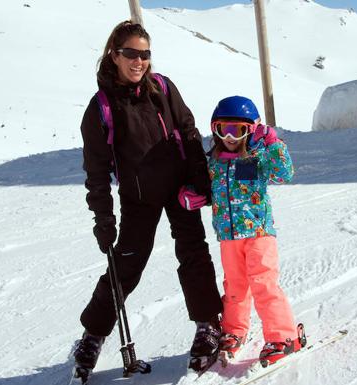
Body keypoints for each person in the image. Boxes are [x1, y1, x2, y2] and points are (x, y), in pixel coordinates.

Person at [74, 20, 222, 374]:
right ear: (114, 55)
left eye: (144, 54)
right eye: (131, 54)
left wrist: (199, 181)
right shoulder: (101, 108)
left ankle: (207, 324)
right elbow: (96, 173)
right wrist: (103, 220)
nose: (138, 61)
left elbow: (188, 132)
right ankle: (93, 335)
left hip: (181, 190)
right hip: (139, 198)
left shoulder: (163, 88)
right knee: (125, 265)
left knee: (193, 252)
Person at [204, 96, 305, 367]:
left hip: (259, 233)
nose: (229, 137)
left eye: (237, 130)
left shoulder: (257, 156)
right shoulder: (213, 162)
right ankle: (234, 330)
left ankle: (283, 336)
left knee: (263, 284)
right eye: (222, 129)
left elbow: (284, 174)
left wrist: (272, 143)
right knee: (234, 286)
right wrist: (194, 195)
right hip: (228, 236)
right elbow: (208, 190)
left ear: (251, 130)